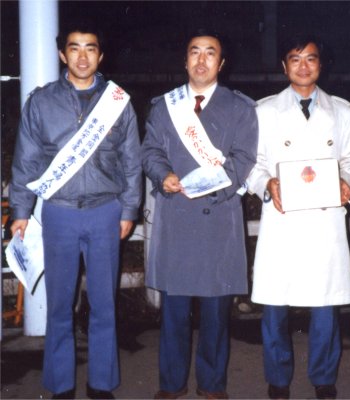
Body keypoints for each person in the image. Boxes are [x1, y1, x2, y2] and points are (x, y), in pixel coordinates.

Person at [9, 22, 142, 399]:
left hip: (105, 212)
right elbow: (26, 160)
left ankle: (101, 383)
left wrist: (129, 209)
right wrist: (20, 210)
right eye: (74, 48)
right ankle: (60, 385)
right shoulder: (41, 102)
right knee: (59, 304)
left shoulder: (118, 102)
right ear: (62, 54)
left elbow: (132, 162)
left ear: (101, 55)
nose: (82, 56)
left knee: (104, 304)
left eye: (90, 48)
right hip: (59, 213)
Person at [246, 34, 350, 400]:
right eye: (295, 59)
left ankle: (324, 377)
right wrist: (267, 184)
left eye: (310, 58)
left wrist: (347, 181)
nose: (303, 66)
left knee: (325, 304)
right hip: (282, 218)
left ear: (320, 64)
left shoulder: (341, 111)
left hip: (323, 221)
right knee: (274, 306)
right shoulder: (264, 111)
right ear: (284, 66)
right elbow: (251, 162)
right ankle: (278, 378)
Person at [141, 28, 258, 400]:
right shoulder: (164, 106)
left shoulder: (240, 108)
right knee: (173, 312)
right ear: (185, 59)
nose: (202, 59)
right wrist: (163, 175)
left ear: (221, 63)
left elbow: (244, 158)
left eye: (210, 53)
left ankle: (212, 385)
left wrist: (209, 186)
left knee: (215, 314)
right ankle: (171, 384)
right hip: (177, 218)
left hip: (217, 219)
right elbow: (150, 151)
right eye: (195, 52)